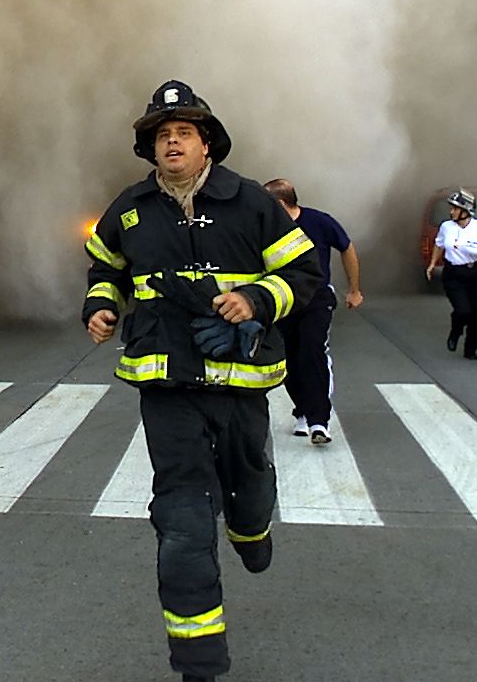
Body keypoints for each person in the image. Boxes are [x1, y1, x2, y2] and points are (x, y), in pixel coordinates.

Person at [83, 81, 320, 682]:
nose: (172, 142)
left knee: (250, 482)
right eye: (162, 134)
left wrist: (256, 300)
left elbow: (305, 273)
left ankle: (252, 527)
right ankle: (198, 663)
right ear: (149, 147)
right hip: (166, 384)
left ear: (206, 142)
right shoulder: (131, 208)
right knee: (182, 519)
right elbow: (105, 266)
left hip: (240, 382)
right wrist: (100, 306)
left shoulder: (250, 202)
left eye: (183, 132)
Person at [262, 179, 363, 445]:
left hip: (317, 298)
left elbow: (347, 248)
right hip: (283, 299)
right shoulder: (266, 226)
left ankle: (319, 420)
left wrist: (354, 289)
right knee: (287, 358)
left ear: (281, 204)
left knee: (312, 350)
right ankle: (303, 410)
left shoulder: (319, 221)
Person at [426, 188, 477, 360]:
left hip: (476, 273)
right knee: (463, 311)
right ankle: (455, 332)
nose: (451, 211)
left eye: (455, 208)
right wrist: (431, 264)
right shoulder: (446, 227)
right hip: (454, 274)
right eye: (451, 208)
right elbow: (439, 245)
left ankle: (471, 349)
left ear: (465, 210)